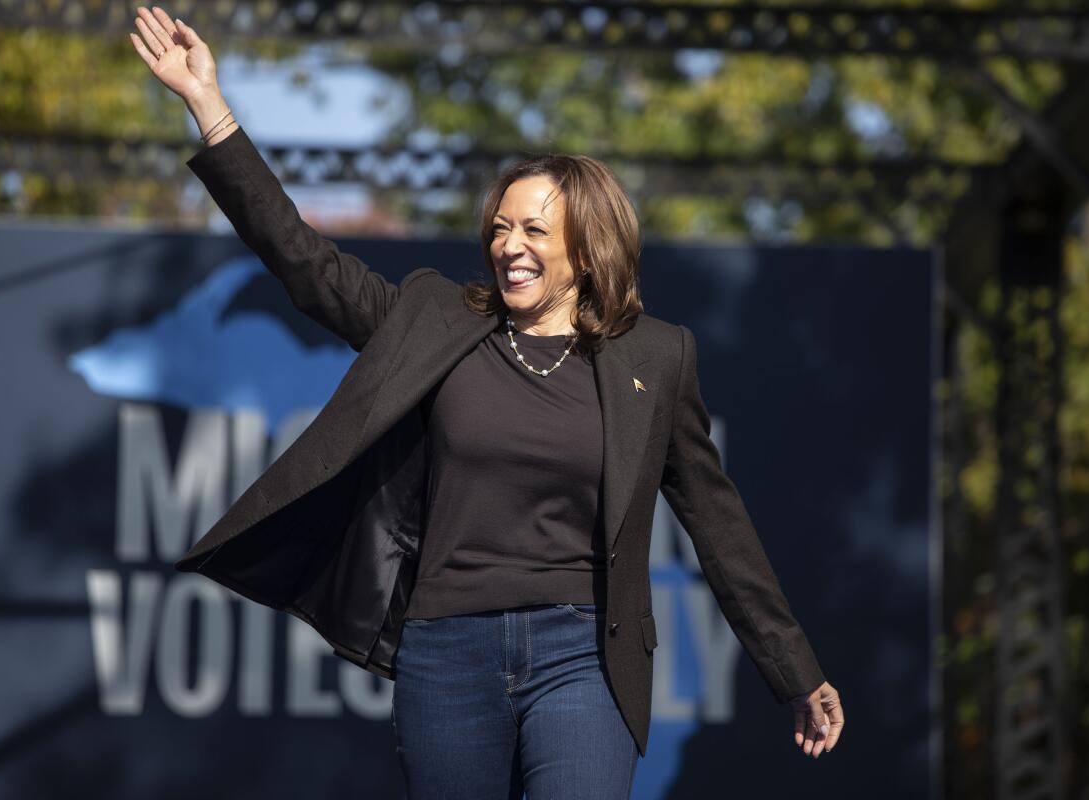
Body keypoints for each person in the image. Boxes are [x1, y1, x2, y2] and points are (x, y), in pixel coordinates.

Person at [130, 6, 845, 798]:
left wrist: (794, 668)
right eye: (501, 228)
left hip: (585, 655)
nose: (509, 246)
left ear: (588, 246)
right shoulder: (438, 321)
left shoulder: (656, 357)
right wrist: (211, 109)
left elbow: (718, 520)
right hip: (446, 652)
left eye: (534, 230)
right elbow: (307, 266)